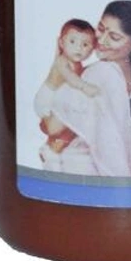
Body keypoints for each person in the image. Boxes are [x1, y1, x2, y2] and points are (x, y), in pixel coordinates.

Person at [38, 0, 131, 176]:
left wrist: (54, 78)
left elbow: (52, 127)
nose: (101, 40)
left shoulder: (100, 73)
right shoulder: (128, 80)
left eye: (114, 37)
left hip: (81, 177)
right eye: (100, 28)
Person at [33, 19, 99, 171]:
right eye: (72, 42)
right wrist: (85, 87)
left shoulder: (77, 63)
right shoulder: (62, 62)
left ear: (93, 48)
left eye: (85, 45)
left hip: (58, 100)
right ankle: (51, 150)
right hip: (46, 100)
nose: (78, 48)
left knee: (72, 128)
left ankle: (53, 146)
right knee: (71, 123)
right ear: (61, 43)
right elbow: (70, 78)